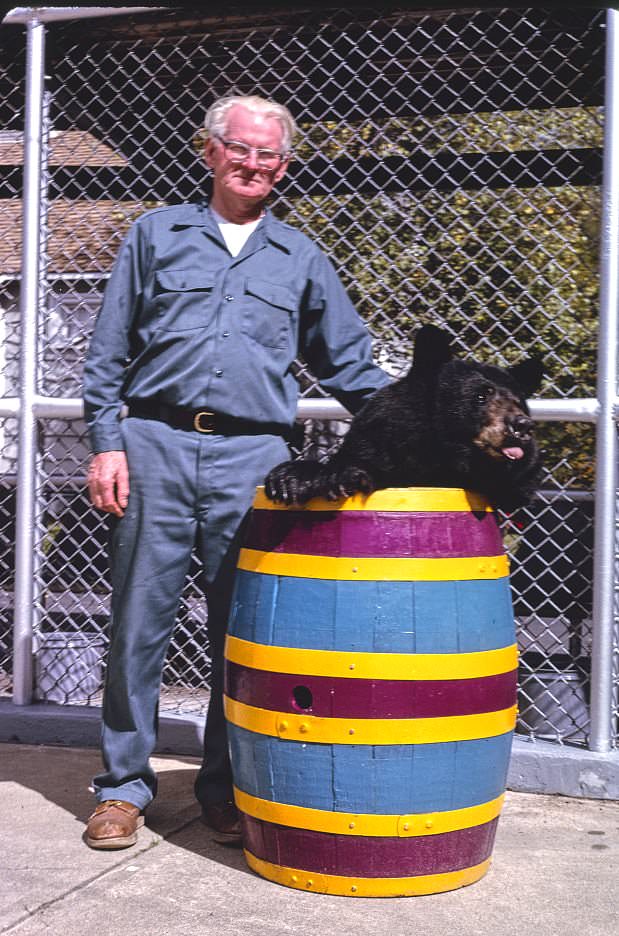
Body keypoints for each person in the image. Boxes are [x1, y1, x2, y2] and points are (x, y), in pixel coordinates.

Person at [82, 93, 390, 850]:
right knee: (136, 628)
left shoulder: (301, 257)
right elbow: (107, 352)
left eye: (269, 155)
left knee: (242, 634)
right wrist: (106, 441)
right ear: (210, 151)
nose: (254, 165)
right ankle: (122, 788)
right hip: (152, 444)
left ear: (283, 166)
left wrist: (426, 419)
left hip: (254, 458)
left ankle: (225, 788)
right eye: (240, 150)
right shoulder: (155, 235)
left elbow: (350, 366)